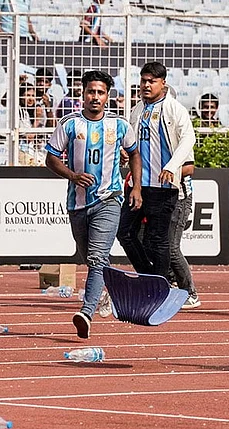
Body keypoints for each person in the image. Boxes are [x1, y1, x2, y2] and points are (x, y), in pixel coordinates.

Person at [45, 70, 142, 339]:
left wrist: (136, 187)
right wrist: (73, 175)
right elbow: (51, 158)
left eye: (100, 92)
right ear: (83, 94)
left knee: (97, 257)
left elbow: (134, 153)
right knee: (90, 258)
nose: (95, 97)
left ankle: (86, 313)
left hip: (109, 199)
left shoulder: (119, 125)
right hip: (77, 204)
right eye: (91, 92)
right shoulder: (70, 124)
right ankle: (106, 291)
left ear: (107, 96)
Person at [116, 61, 196, 280]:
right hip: (138, 186)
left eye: (152, 81)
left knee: (158, 241)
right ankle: (151, 277)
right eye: (143, 81)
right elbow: (131, 142)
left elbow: (189, 138)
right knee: (124, 232)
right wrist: (125, 152)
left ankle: (161, 286)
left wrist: (171, 167)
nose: (146, 85)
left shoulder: (174, 108)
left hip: (163, 187)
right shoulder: (137, 109)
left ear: (163, 83)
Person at [168, 160, 200, 309]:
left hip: (180, 199)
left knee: (172, 248)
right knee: (152, 243)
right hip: (160, 197)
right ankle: (171, 282)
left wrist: (166, 171)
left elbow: (189, 169)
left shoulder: (184, 145)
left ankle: (190, 293)